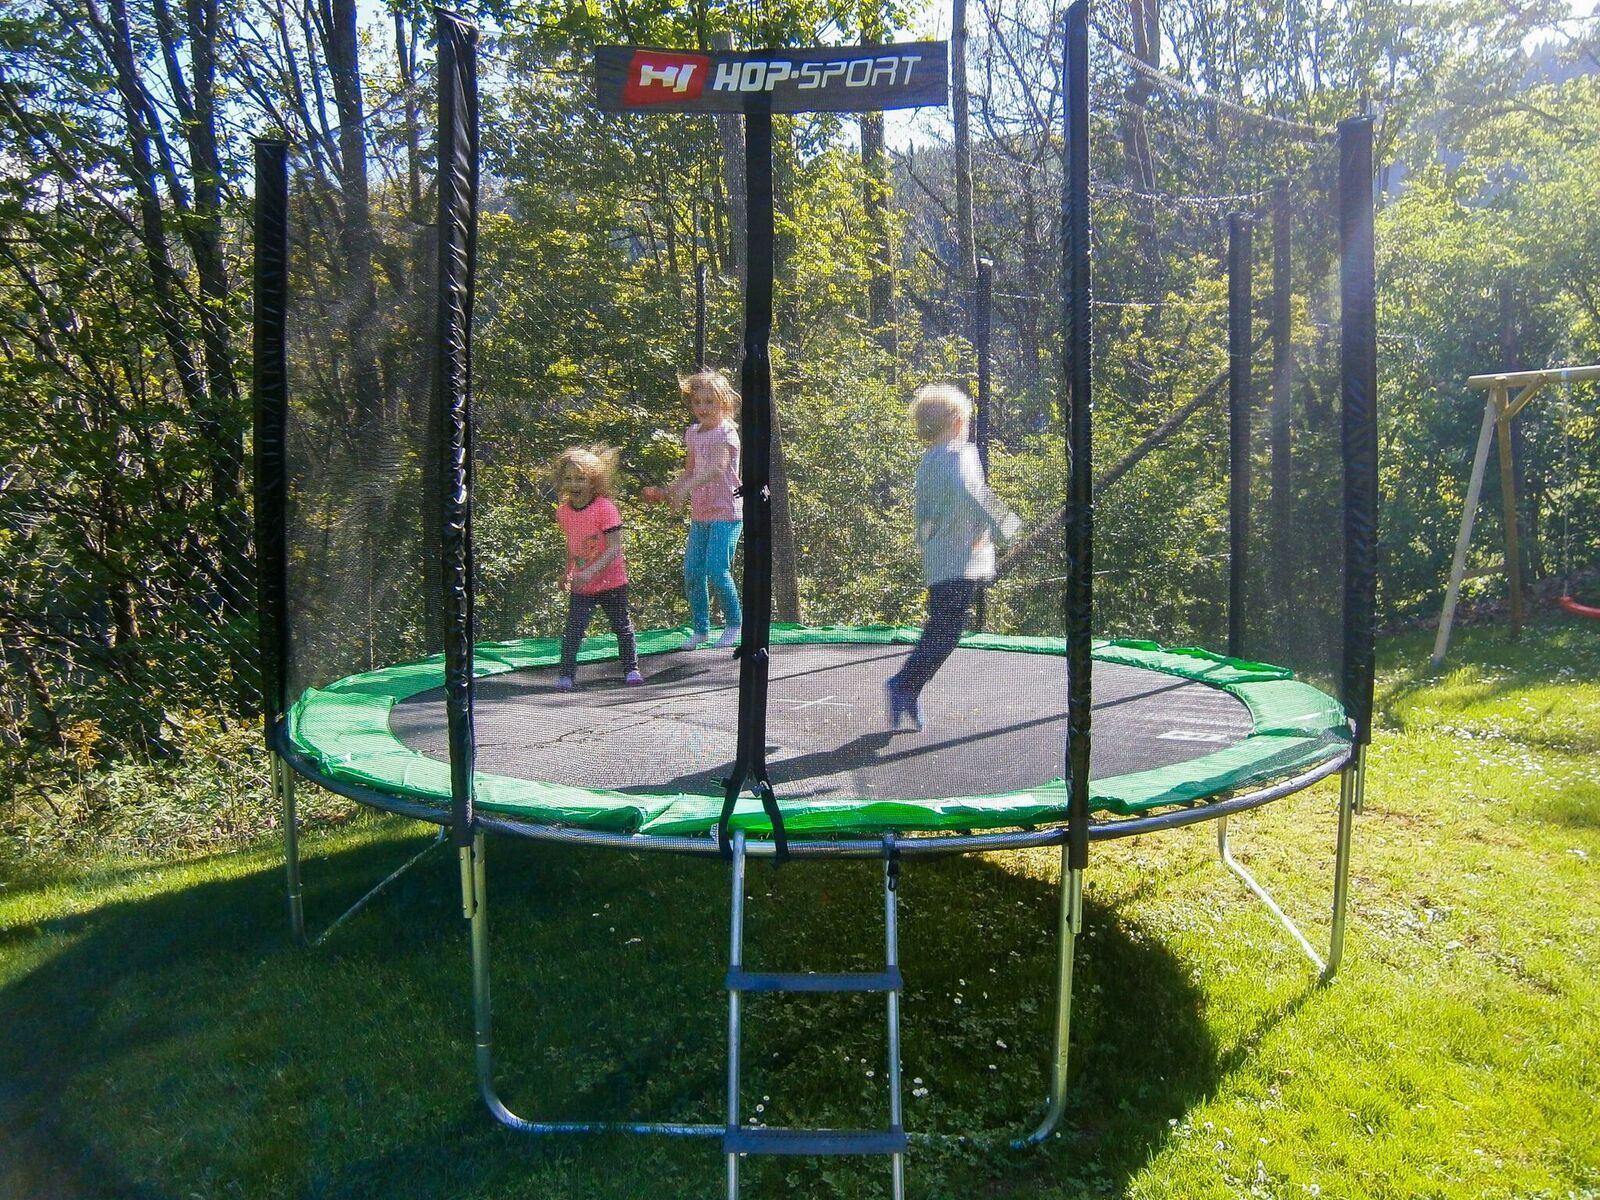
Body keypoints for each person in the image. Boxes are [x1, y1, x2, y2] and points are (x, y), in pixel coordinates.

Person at [887, 384, 1020, 732]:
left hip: (943, 558)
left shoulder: (929, 461)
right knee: (946, 630)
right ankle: (904, 684)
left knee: (942, 626)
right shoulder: (959, 454)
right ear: (958, 420)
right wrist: (1007, 525)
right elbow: (975, 494)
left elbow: (925, 514)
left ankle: (908, 687)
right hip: (958, 558)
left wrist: (928, 543)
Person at [645, 369, 744, 650]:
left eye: (709, 402)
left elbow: (717, 467)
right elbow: (689, 471)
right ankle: (701, 629)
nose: (702, 408)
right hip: (702, 514)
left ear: (723, 402)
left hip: (727, 512)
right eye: (697, 402)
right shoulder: (693, 433)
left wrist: (687, 489)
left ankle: (734, 624)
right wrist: (670, 491)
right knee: (692, 571)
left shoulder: (727, 432)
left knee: (716, 569)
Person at [551, 445, 643, 690]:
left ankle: (631, 668)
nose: (575, 484)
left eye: (581, 479)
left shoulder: (605, 508)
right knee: (574, 629)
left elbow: (614, 547)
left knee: (621, 626)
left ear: (593, 482)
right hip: (583, 584)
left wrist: (591, 570)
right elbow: (572, 544)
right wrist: (567, 571)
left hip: (612, 582)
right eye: (569, 479)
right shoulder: (564, 512)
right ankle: (566, 674)